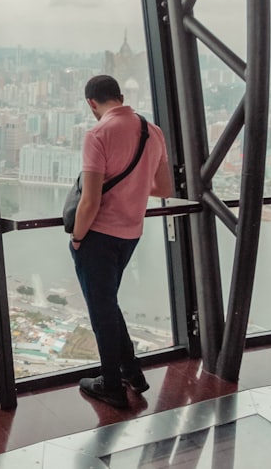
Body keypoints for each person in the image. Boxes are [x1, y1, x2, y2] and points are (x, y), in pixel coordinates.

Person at [69, 75, 173, 409]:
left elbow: (90, 201)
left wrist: (77, 238)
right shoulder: (152, 130)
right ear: (121, 96)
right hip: (131, 235)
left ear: (91, 104)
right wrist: (136, 186)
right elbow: (164, 189)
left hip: (98, 236)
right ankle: (132, 373)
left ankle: (111, 385)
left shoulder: (98, 134)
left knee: (101, 313)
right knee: (108, 304)